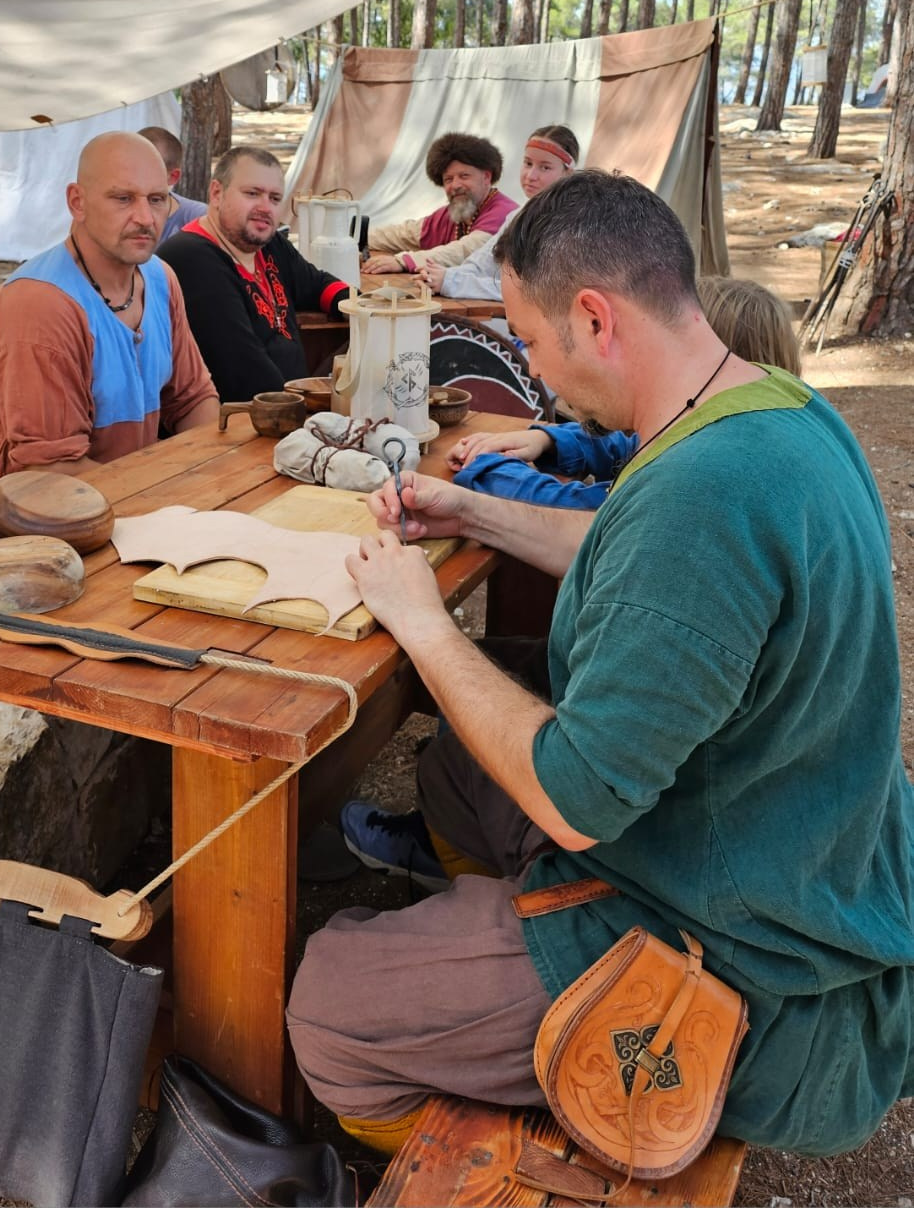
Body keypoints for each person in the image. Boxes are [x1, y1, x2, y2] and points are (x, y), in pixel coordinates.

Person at [287, 170, 914, 1162]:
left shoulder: (702, 496)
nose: (534, 375)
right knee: (458, 761)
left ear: (594, 316)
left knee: (325, 999)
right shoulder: (771, 409)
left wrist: (422, 620)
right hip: (773, 846)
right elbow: (650, 566)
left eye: (530, 342)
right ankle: (494, 956)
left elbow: (578, 798)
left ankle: (579, 1116)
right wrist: (476, 510)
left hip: (744, 945)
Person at [0, 130, 219, 502]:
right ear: (77, 202)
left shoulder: (159, 278)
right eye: (123, 199)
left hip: (134, 505)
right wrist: (166, 499)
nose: (145, 217)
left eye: (156, 199)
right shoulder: (39, 305)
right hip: (36, 529)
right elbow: (50, 472)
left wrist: (205, 475)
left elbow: (192, 399)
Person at [449, 274, 802, 510]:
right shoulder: (713, 419)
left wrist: (489, 470)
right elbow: (626, 445)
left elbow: (589, 506)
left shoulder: (697, 469)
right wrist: (549, 441)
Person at [159, 146, 351, 402]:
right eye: (252, 193)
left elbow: (317, 285)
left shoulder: (268, 243)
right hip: (247, 420)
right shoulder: (191, 257)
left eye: (274, 198)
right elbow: (243, 373)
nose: (265, 207)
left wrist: (362, 308)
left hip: (292, 405)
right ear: (217, 193)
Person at [421, 125, 579, 301]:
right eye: (528, 163)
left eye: (545, 167)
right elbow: (483, 263)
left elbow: (533, 291)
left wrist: (452, 282)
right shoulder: (518, 215)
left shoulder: (569, 225)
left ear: (568, 174)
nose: (531, 175)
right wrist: (439, 275)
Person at [363, 133, 517, 274]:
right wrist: (356, 237)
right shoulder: (452, 214)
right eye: (448, 179)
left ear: (486, 177)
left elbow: (466, 251)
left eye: (464, 176)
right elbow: (403, 234)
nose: (455, 185)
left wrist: (403, 261)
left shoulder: (505, 213)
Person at [138, 126, 210, 242]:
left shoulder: (198, 219)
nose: (133, 175)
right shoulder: (113, 210)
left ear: (172, 176)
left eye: (146, 169)